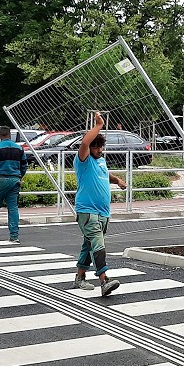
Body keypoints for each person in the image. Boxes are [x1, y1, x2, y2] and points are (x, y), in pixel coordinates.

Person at [72, 112, 127, 296]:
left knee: (89, 244)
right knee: (97, 243)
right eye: (97, 148)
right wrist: (99, 125)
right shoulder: (83, 160)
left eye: (101, 147)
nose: (100, 150)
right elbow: (85, 143)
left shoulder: (100, 161)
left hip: (103, 212)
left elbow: (106, 175)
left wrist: (118, 180)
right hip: (88, 211)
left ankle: (80, 278)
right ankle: (104, 280)